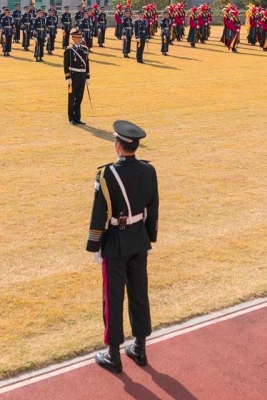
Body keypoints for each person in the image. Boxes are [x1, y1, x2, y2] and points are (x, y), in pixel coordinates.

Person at [87, 120, 158, 373]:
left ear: (118, 146)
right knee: (140, 294)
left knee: (113, 298)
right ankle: (139, 348)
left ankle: (113, 355)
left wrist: (94, 244)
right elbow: (153, 208)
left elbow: (99, 213)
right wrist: (149, 237)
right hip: (139, 239)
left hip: (116, 243)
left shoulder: (107, 175)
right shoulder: (149, 171)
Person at [64, 27, 89, 124]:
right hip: (74, 77)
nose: (79, 39)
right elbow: (66, 65)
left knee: (79, 98)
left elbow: (87, 64)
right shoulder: (69, 50)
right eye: (77, 38)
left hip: (82, 76)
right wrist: (67, 77)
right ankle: (71, 118)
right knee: (72, 98)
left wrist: (87, 77)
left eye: (80, 38)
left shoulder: (85, 49)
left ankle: (78, 117)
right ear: (73, 38)